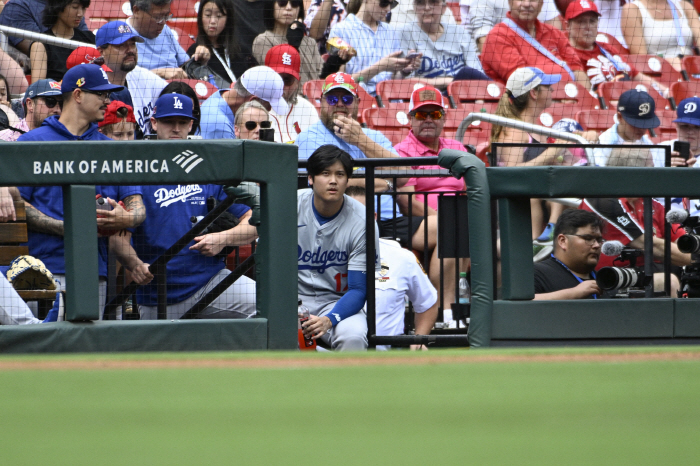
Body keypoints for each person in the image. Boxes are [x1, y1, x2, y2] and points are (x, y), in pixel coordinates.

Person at [297, 73, 459, 310]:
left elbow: (403, 175)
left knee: (452, 228)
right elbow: (329, 183)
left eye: (347, 99)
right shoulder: (310, 138)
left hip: (387, 218)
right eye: (333, 99)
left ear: (357, 104)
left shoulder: (372, 136)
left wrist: (360, 140)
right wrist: (382, 181)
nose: (340, 104)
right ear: (321, 102)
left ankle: (442, 312)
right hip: (342, 222)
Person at [110, 93, 258, 320]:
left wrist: (224, 238)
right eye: (169, 122)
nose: (176, 128)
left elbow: (254, 221)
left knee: (268, 303)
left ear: (191, 125)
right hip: (154, 294)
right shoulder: (138, 170)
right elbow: (118, 239)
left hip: (209, 283)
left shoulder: (207, 169)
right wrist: (135, 263)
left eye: (182, 122)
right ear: (154, 123)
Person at [17, 64, 145, 316]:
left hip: (91, 270)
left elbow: (137, 205)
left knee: (84, 350)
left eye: (108, 95)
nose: (106, 101)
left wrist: (126, 217)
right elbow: (19, 204)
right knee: (40, 349)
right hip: (41, 270)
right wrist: (66, 228)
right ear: (77, 95)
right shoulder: (33, 142)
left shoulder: (111, 148)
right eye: (100, 94)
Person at [297, 145, 379, 351]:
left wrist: (329, 319)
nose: (333, 180)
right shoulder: (289, 205)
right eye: (325, 173)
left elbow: (359, 290)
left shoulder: (363, 220)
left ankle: (349, 384)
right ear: (310, 178)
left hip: (336, 302)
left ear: (347, 181)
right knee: (282, 334)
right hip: (293, 299)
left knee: (353, 337)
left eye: (340, 174)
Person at [346, 186, 437, 351]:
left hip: (387, 359)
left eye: (359, 215)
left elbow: (427, 302)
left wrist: (419, 340)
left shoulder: (401, 257)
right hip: (331, 358)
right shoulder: (316, 257)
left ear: (373, 218)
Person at [480, 0, 590, 89]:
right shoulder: (498, 36)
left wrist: (581, 99)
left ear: (541, 4)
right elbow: (523, 81)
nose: (527, 4)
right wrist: (561, 96)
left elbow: (577, 70)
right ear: (510, 2)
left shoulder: (554, 33)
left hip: (570, 103)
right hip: (525, 108)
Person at [565, 0, 668, 94]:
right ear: (568, 26)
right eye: (581, 21)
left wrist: (664, 91)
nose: (588, 27)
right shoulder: (565, 54)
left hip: (626, 97)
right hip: (600, 105)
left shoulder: (606, 48)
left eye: (592, 21)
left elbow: (636, 75)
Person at [328, 0, 418, 96]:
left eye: (392, 4)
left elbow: (393, 80)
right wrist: (379, 68)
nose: (388, 9)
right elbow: (338, 83)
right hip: (355, 99)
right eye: (383, 3)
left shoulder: (391, 31)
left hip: (388, 100)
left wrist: (404, 70)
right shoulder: (340, 30)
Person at [96, 20, 167, 138]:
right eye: (121, 45)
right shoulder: (93, 87)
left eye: (132, 44)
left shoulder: (142, 76)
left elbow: (175, 92)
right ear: (101, 52)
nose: (130, 50)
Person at [397, 0, 486, 89]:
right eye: (420, 3)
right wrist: (452, 81)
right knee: (466, 73)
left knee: (469, 74)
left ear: (444, 8)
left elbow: (477, 74)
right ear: (414, 7)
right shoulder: (404, 33)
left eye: (433, 2)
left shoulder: (459, 32)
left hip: (463, 93)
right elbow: (407, 81)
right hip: (427, 95)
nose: (427, 8)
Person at [199, 65, 288, 139]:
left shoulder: (223, 95)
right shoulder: (219, 126)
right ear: (253, 101)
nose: (269, 110)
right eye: (267, 106)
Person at [534, 209, 603, 299]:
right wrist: (574, 293)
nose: (596, 245)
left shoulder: (605, 280)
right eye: (588, 238)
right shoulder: (536, 272)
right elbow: (521, 306)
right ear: (563, 241)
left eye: (599, 240)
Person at [187, 0, 257, 88]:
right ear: (200, 17)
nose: (212, 21)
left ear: (228, 19)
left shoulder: (241, 51)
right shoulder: (195, 51)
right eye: (208, 15)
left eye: (219, 16)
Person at [252, 0, 323, 86]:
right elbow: (278, 79)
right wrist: (294, 45)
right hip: (286, 97)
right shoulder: (263, 41)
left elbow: (321, 74)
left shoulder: (310, 42)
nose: (288, 8)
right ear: (271, 6)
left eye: (294, 3)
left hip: (315, 97)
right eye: (282, 3)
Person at [591, 89, 665, 167]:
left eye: (645, 125)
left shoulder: (646, 143)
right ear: (620, 117)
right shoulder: (604, 143)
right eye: (636, 124)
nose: (641, 129)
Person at [621, 0, 700, 72]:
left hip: (692, 70)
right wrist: (671, 62)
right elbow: (642, 60)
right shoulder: (632, 10)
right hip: (660, 73)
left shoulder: (685, 6)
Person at [264, 44, 319, 143]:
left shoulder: (307, 109)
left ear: (297, 82)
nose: (281, 86)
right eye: (276, 78)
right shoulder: (253, 110)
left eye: (287, 80)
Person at [29, 0, 95, 83]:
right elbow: (37, 87)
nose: (80, 14)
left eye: (83, 8)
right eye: (75, 7)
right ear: (58, 8)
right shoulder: (40, 45)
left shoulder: (90, 39)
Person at [126, 0, 190, 79]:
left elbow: (185, 63)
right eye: (158, 17)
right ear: (137, 11)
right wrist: (161, 73)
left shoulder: (164, 30)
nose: (163, 22)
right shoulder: (122, 36)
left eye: (166, 16)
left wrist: (198, 60)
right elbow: (123, 78)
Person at [465, 0, 561, 53]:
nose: (527, 4)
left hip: (534, 61)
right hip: (490, 67)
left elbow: (556, 34)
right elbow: (485, 46)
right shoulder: (483, 2)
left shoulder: (544, 2)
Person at [0, 0, 88, 56]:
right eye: (75, 7)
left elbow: (86, 42)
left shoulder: (70, 4)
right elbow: (40, 52)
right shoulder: (17, 6)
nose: (80, 13)